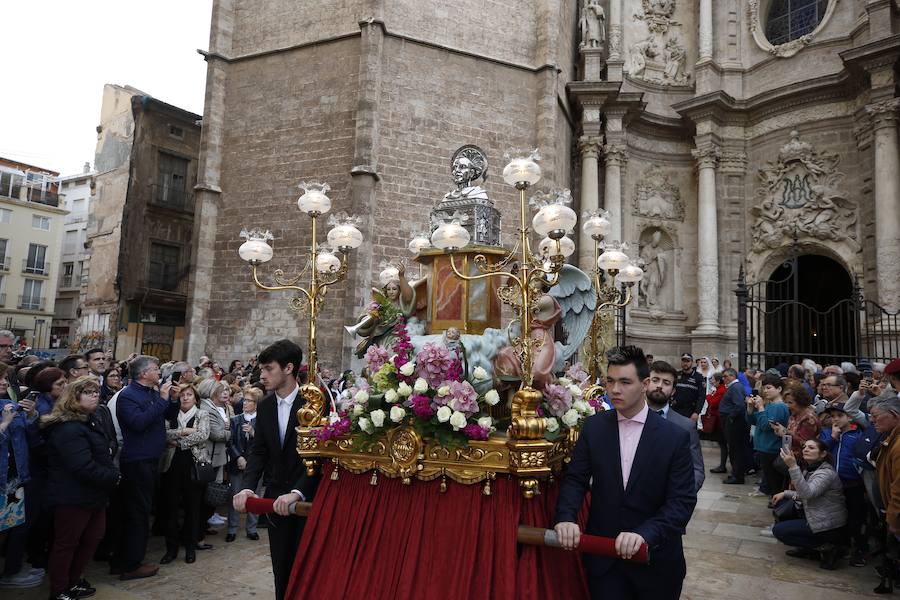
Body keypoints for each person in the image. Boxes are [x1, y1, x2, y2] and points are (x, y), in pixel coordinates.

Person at [555, 345, 696, 600]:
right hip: (605, 562)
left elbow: (681, 502)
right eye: (610, 381)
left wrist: (645, 534)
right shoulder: (594, 427)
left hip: (656, 563)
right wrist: (566, 517)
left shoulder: (674, 437)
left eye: (624, 382)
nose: (615, 390)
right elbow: (576, 479)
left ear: (645, 384)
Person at [233, 339, 322, 600]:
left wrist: (298, 492)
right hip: (275, 496)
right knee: (281, 565)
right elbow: (259, 451)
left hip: (308, 497)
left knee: (308, 564)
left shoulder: (314, 403)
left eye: (268, 368)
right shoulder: (266, 405)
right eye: (261, 368)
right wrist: (248, 486)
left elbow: (320, 456)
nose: (262, 374)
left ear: (288, 368)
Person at [40, 376, 119, 600]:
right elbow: (81, 466)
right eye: (88, 392)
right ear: (74, 398)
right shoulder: (68, 428)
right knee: (67, 543)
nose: (95, 395)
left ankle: (74, 581)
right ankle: (59, 590)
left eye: (96, 392)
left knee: (92, 538)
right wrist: (114, 476)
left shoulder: (88, 421)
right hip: (72, 495)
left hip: (94, 493)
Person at [115, 355, 175, 580]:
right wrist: (162, 399)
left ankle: (131, 558)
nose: (159, 372)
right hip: (137, 460)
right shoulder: (128, 396)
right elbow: (138, 423)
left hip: (151, 459)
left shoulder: (152, 392)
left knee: (143, 510)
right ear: (143, 374)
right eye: (155, 369)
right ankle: (131, 564)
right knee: (137, 513)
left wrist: (172, 400)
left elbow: (167, 414)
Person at [772, 439, 848, 569]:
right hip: (814, 513)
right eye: (805, 447)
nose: (806, 449)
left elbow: (807, 494)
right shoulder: (811, 468)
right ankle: (809, 547)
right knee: (781, 505)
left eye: (811, 448)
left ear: (823, 454)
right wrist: (785, 493)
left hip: (827, 524)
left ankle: (828, 547)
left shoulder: (826, 473)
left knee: (779, 531)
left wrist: (793, 467)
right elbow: (804, 492)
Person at [0, 363, 41, 589]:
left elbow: (27, 433)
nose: (5, 382)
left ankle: (9, 573)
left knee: (10, 526)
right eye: (0, 379)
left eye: (6, 378)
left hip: (15, 478)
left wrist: (32, 414)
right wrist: (4, 424)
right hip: (2, 478)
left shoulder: (8, 402)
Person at [160, 383, 209, 565]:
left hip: (193, 466)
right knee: (171, 509)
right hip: (172, 465)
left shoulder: (201, 414)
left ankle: (190, 548)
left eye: (189, 394)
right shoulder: (172, 413)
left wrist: (180, 442)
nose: (185, 397)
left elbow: (203, 435)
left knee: (192, 509)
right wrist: (183, 431)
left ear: (195, 398)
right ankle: (171, 549)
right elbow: (164, 434)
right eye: (182, 395)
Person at [646, 360, 704, 492]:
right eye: (655, 380)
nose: (659, 386)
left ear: (673, 391)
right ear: (646, 383)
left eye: (666, 383)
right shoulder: (628, 418)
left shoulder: (685, 426)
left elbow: (696, 470)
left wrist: (680, 499)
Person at [819, 403, 865, 565]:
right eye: (833, 416)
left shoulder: (856, 434)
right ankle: (839, 546)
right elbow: (821, 451)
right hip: (832, 483)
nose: (836, 419)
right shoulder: (827, 433)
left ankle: (857, 549)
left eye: (840, 416)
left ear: (850, 417)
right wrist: (832, 437)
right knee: (836, 516)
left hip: (852, 482)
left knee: (855, 517)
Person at [226, 387, 263, 542]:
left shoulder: (263, 421)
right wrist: (239, 457)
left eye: (248, 400)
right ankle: (232, 529)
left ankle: (252, 528)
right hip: (238, 464)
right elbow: (230, 441)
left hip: (255, 465)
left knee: (255, 496)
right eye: (244, 400)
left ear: (257, 403)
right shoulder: (236, 419)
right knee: (235, 495)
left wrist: (254, 433)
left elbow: (264, 444)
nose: (244, 403)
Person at [746, 373, 790, 497]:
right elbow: (755, 422)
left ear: (779, 389)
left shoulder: (780, 407)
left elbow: (766, 426)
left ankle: (776, 500)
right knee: (768, 476)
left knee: (774, 480)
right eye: (764, 388)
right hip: (763, 446)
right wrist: (750, 409)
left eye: (769, 388)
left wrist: (760, 407)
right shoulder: (770, 404)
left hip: (771, 447)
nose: (765, 391)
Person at [197, 379, 233, 529]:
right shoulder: (207, 408)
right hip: (209, 455)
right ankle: (200, 529)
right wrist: (231, 432)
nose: (224, 393)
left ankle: (204, 524)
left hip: (219, 455)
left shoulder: (224, 407)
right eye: (220, 390)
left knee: (212, 491)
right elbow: (216, 434)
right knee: (206, 493)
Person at [718, 368, 750, 484]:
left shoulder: (735, 387)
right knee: (734, 449)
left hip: (734, 422)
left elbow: (739, 405)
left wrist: (730, 417)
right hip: (731, 421)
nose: (724, 379)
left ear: (732, 376)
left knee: (735, 450)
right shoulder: (733, 387)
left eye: (726, 376)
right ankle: (735, 473)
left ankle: (737, 475)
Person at [772, 382, 820, 459]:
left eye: (790, 403)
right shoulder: (794, 415)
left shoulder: (809, 419)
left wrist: (785, 432)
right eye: (786, 402)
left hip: (802, 459)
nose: (787, 406)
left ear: (800, 401)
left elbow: (805, 442)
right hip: (790, 455)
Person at [704, 372, 728, 474]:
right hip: (718, 420)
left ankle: (722, 466)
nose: (712, 382)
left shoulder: (721, 390)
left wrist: (709, 396)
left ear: (718, 381)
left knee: (723, 444)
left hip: (719, 421)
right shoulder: (719, 389)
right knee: (721, 444)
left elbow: (713, 403)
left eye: (713, 380)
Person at [670, 353, 705, 421]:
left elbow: (702, 396)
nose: (685, 363)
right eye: (683, 361)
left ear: (692, 362)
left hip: (690, 411)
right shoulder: (676, 375)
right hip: (675, 409)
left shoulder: (698, 377)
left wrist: (697, 412)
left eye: (688, 361)